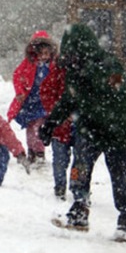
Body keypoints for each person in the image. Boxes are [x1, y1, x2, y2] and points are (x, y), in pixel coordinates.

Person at [39, 24, 126, 242]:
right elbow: (68, 100)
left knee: (119, 174)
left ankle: (125, 218)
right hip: (89, 129)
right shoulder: (74, 71)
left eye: (75, 53)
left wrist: (89, 75)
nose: (71, 59)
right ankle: (79, 209)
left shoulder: (110, 66)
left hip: (116, 131)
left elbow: (116, 96)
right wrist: (50, 124)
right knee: (79, 168)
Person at [7, 30, 57, 172]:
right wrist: (20, 92)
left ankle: (39, 151)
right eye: (40, 53)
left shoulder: (53, 66)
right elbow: (17, 75)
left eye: (46, 54)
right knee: (31, 127)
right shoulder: (28, 64)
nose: (43, 57)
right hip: (30, 101)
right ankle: (32, 150)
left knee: (39, 126)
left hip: (44, 102)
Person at [39, 58, 75, 200]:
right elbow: (46, 93)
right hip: (60, 126)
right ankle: (61, 185)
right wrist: (57, 112)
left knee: (76, 161)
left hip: (69, 125)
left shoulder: (62, 72)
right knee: (62, 160)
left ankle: (76, 185)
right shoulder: (58, 73)